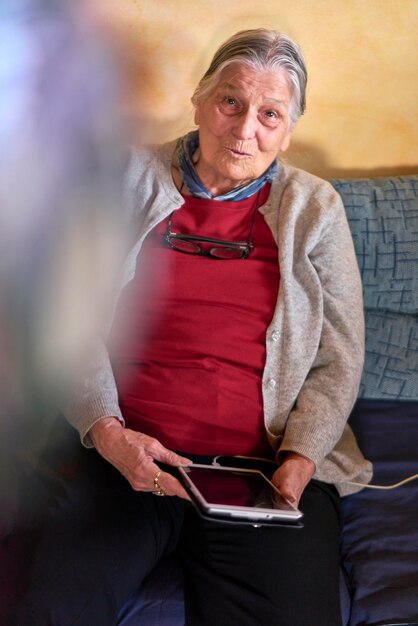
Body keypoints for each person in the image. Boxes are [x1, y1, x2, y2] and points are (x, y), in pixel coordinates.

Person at [10, 28, 372, 626]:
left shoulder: (316, 209)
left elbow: (340, 357)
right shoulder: (120, 177)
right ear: (200, 100)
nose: (245, 127)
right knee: (44, 606)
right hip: (124, 458)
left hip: (261, 473)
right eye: (231, 101)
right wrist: (107, 431)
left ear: (289, 129)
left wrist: (302, 456)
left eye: (270, 114)